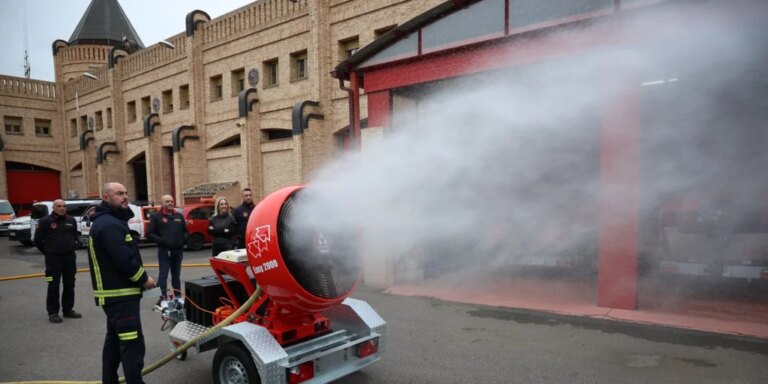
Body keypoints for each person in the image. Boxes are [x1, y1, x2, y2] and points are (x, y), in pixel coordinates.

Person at [87, 182, 156, 384]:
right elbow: (123, 259)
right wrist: (143, 279)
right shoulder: (109, 225)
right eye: (119, 194)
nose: (125, 196)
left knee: (115, 344)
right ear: (106, 198)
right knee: (132, 344)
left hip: (115, 297)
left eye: (126, 193)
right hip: (120, 296)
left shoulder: (110, 221)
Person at [34, 199, 82, 323]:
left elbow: (75, 235)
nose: (62, 208)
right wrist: (49, 252)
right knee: (53, 285)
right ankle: (53, 312)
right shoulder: (45, 221)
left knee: (70, 284)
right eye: (59, 206)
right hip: (53, 259)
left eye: (64, 206)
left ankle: (68, 310)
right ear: (53, 208)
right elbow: (38, 241)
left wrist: (75, 243)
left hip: (69, 258)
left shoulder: (71, 220)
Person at [147, 195, 187, 302]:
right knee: (163, 275)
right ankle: (162, 297)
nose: (170, 203)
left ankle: (178, 297)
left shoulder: (179, 215)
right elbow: (149, 234)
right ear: (162, 202)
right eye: (167, 201)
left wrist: (183, 241)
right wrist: (162, 241)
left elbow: (186, 231)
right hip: (164, 251)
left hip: (178, 251)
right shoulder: (156, 216)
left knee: (176, 276)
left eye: (172, 201)